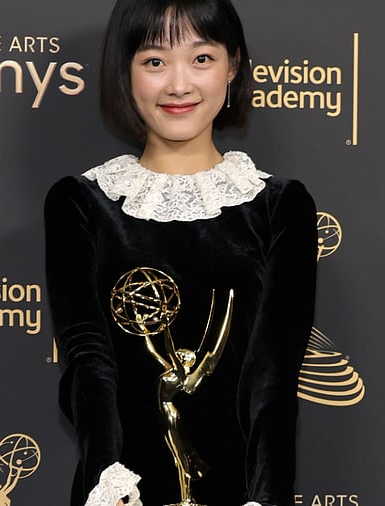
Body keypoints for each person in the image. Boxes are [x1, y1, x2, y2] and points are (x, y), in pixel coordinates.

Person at [44, 0, 317, 505]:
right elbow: (89, 361)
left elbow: (272, 377)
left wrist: (266, 497)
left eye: (201, 58)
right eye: (154, 61)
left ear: (233, 66)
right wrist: (110, 482)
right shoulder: (82, 204)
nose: (178, 84)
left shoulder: (279, 207)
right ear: (124, 71)